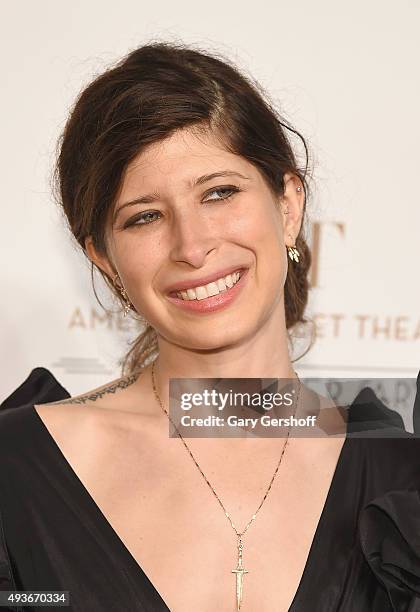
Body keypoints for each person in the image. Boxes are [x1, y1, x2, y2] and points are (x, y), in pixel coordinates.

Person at [1, 41, 419, 612]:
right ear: (103, 256)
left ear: (289, 204)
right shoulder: (17, 472)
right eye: (144, 216)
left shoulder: (400, 481)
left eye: (219, 193)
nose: (193, 247)